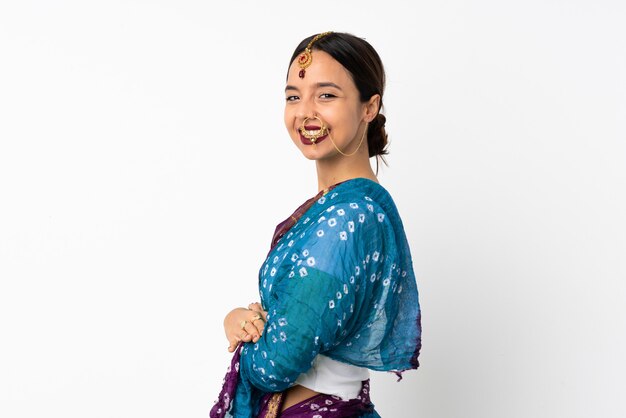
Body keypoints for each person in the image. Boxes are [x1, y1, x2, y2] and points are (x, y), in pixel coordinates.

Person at [210, 31, 422, 418]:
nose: (305, 112)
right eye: (294, 96)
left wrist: (249, 326)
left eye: (326, 95)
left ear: (368, 107)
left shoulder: (348, 217)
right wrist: (243, 321)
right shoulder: (336, 209)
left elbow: (275, 364)